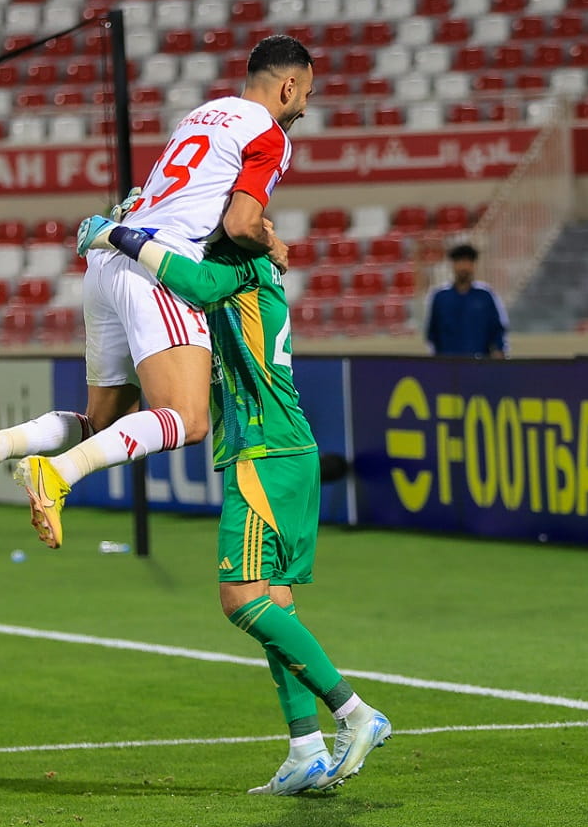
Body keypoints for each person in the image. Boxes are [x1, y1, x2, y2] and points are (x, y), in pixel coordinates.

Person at [0, 35, 313, 548]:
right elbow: (241, 222)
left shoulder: (203, 115)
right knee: (189, 418)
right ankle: (55, 474)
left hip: (107, 261)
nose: (304, 108)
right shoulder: (269, 134)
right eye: (306, 95)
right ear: (289, 86)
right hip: (156, 269)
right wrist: (272, 242)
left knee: (103, 423)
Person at [76, 212, 391, 794]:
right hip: (283, 452)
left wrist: (120, 236)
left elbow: (192, 284)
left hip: (264, 454)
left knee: (239, 600)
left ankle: (354, 712)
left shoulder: (240, 266)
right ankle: (305, 748)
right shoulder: (243, 265)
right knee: (275, 604)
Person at [424, 243, 509, 357]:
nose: (464, 266)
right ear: (453, 265)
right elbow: (432, 333)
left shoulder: (485, 296)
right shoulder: (440, 297)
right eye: (459, 261)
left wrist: (499, 351)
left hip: (479, 364)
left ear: (474, 265)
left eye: (468, 261)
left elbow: (497, 330)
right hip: (447, 365)